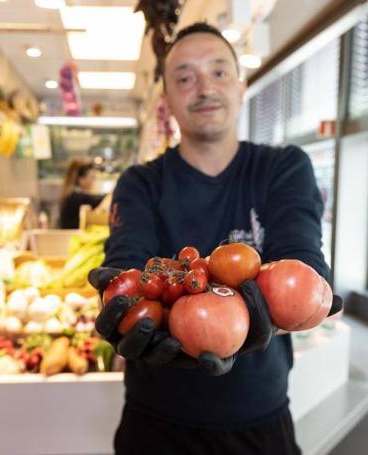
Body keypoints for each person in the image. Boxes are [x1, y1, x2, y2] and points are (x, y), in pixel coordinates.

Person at [88, 22, 343, 455]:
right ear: (167, 100)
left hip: (258, 417)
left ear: (242, 86)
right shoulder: (141, 183)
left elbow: (302, 261)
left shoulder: (283, 168)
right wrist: (122, 301)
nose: (204, 87)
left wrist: (292, 305)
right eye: (185, 77)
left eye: (219, 72)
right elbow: (128, 262)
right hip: (154, 422)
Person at [58, 159, 104, 229]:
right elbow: (96, 200)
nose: (94, 180)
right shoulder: (75, 197)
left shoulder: (71, 194)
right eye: (91, 177)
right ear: (81, 180)